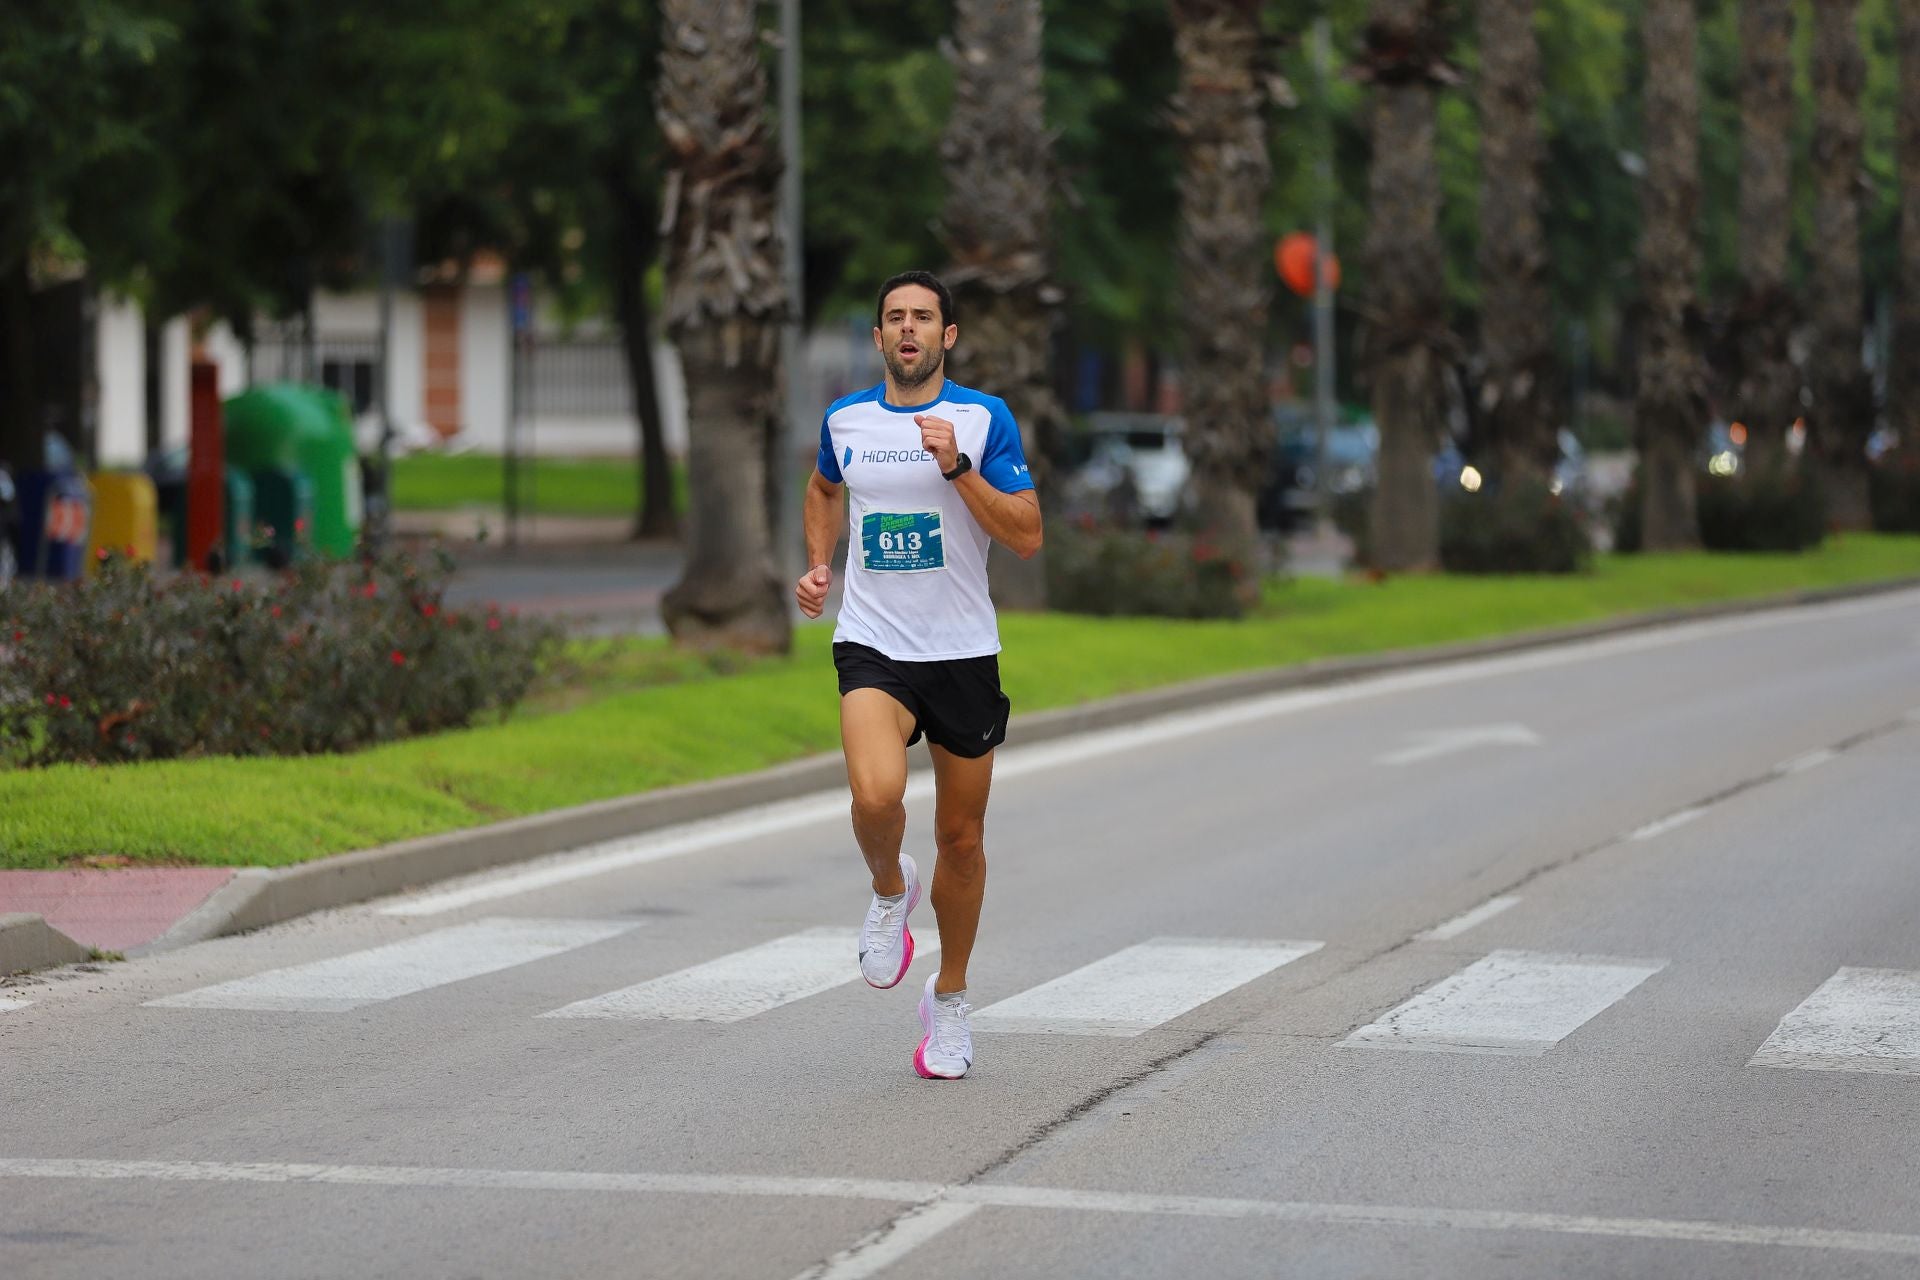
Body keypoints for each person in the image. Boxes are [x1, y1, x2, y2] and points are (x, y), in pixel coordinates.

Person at [795, 270, 1043, 1080]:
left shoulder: (983, 419)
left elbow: (1028, 534)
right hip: (873, 644)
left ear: (948, 336)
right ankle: (887, 885)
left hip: (963, 651)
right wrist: (817, 565)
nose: (909, 329)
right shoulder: (846, 420)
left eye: (924, 318)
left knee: (961, 841)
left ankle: (952, 997)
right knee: (876, 797)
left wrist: (958, 468)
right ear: (877, 338)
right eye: (895, 318)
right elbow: (823, 489)